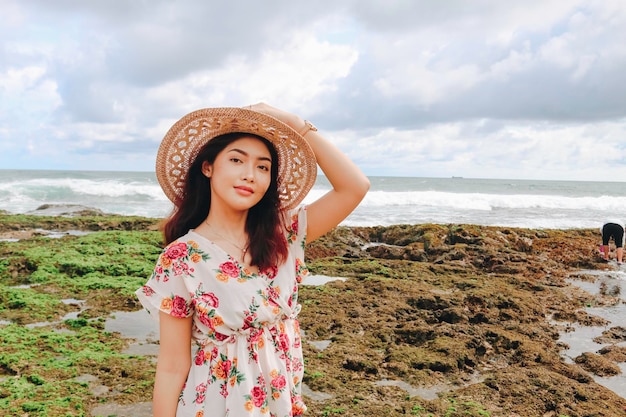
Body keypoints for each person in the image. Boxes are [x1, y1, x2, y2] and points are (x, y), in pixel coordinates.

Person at [135, 103, 369, 417]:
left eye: (263, 167)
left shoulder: (282, 236)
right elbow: (172, 366)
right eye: (236, 160)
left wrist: (297, 125)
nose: (250, 175)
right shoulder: (181, 258)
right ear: (208, 167)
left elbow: (355, 187)